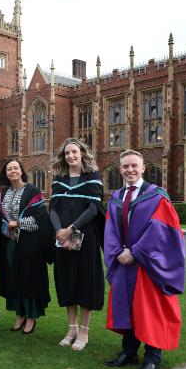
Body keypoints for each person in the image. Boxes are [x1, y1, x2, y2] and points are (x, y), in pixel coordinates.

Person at [103, 149, 186, 369]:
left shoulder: (157, 196)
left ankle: (152, 360)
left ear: (143, 169)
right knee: (126, 308)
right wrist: (118, 253)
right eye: (125, 166)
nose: (129, 170)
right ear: (120, 170)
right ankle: (129, 352)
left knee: (149, 311)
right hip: (123, 263)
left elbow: (161, 231)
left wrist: (136, 253)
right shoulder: (116, 197)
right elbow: (110, 231)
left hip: (147, 265)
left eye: (134, 166)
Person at [49, 138, 105, 351]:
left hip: (85, 237)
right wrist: (58, 232)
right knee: (67, 280)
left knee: (85, 281)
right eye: (67, 153)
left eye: (74, 152)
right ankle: (71, 328)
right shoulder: (59, 179)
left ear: (82, 153)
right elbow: (53, 208)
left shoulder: (93, 178)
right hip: (62, 239)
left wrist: (70, 229)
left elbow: (93, 209)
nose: (70, 156)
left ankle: (84, 332)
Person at [0, 159, 53, 334]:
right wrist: (7, 228)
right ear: (6, 173)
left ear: (21, 171)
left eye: (16, 168)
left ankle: (31, 316)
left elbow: (40, 220)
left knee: (29, 279)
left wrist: (18, 224)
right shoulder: (4, 193)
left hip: (30, 243)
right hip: (11, 243)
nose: (13, 171)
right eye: (9, 169)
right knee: (14, 278)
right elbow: (1, 218)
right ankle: (19, 314)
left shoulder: (33, 191)